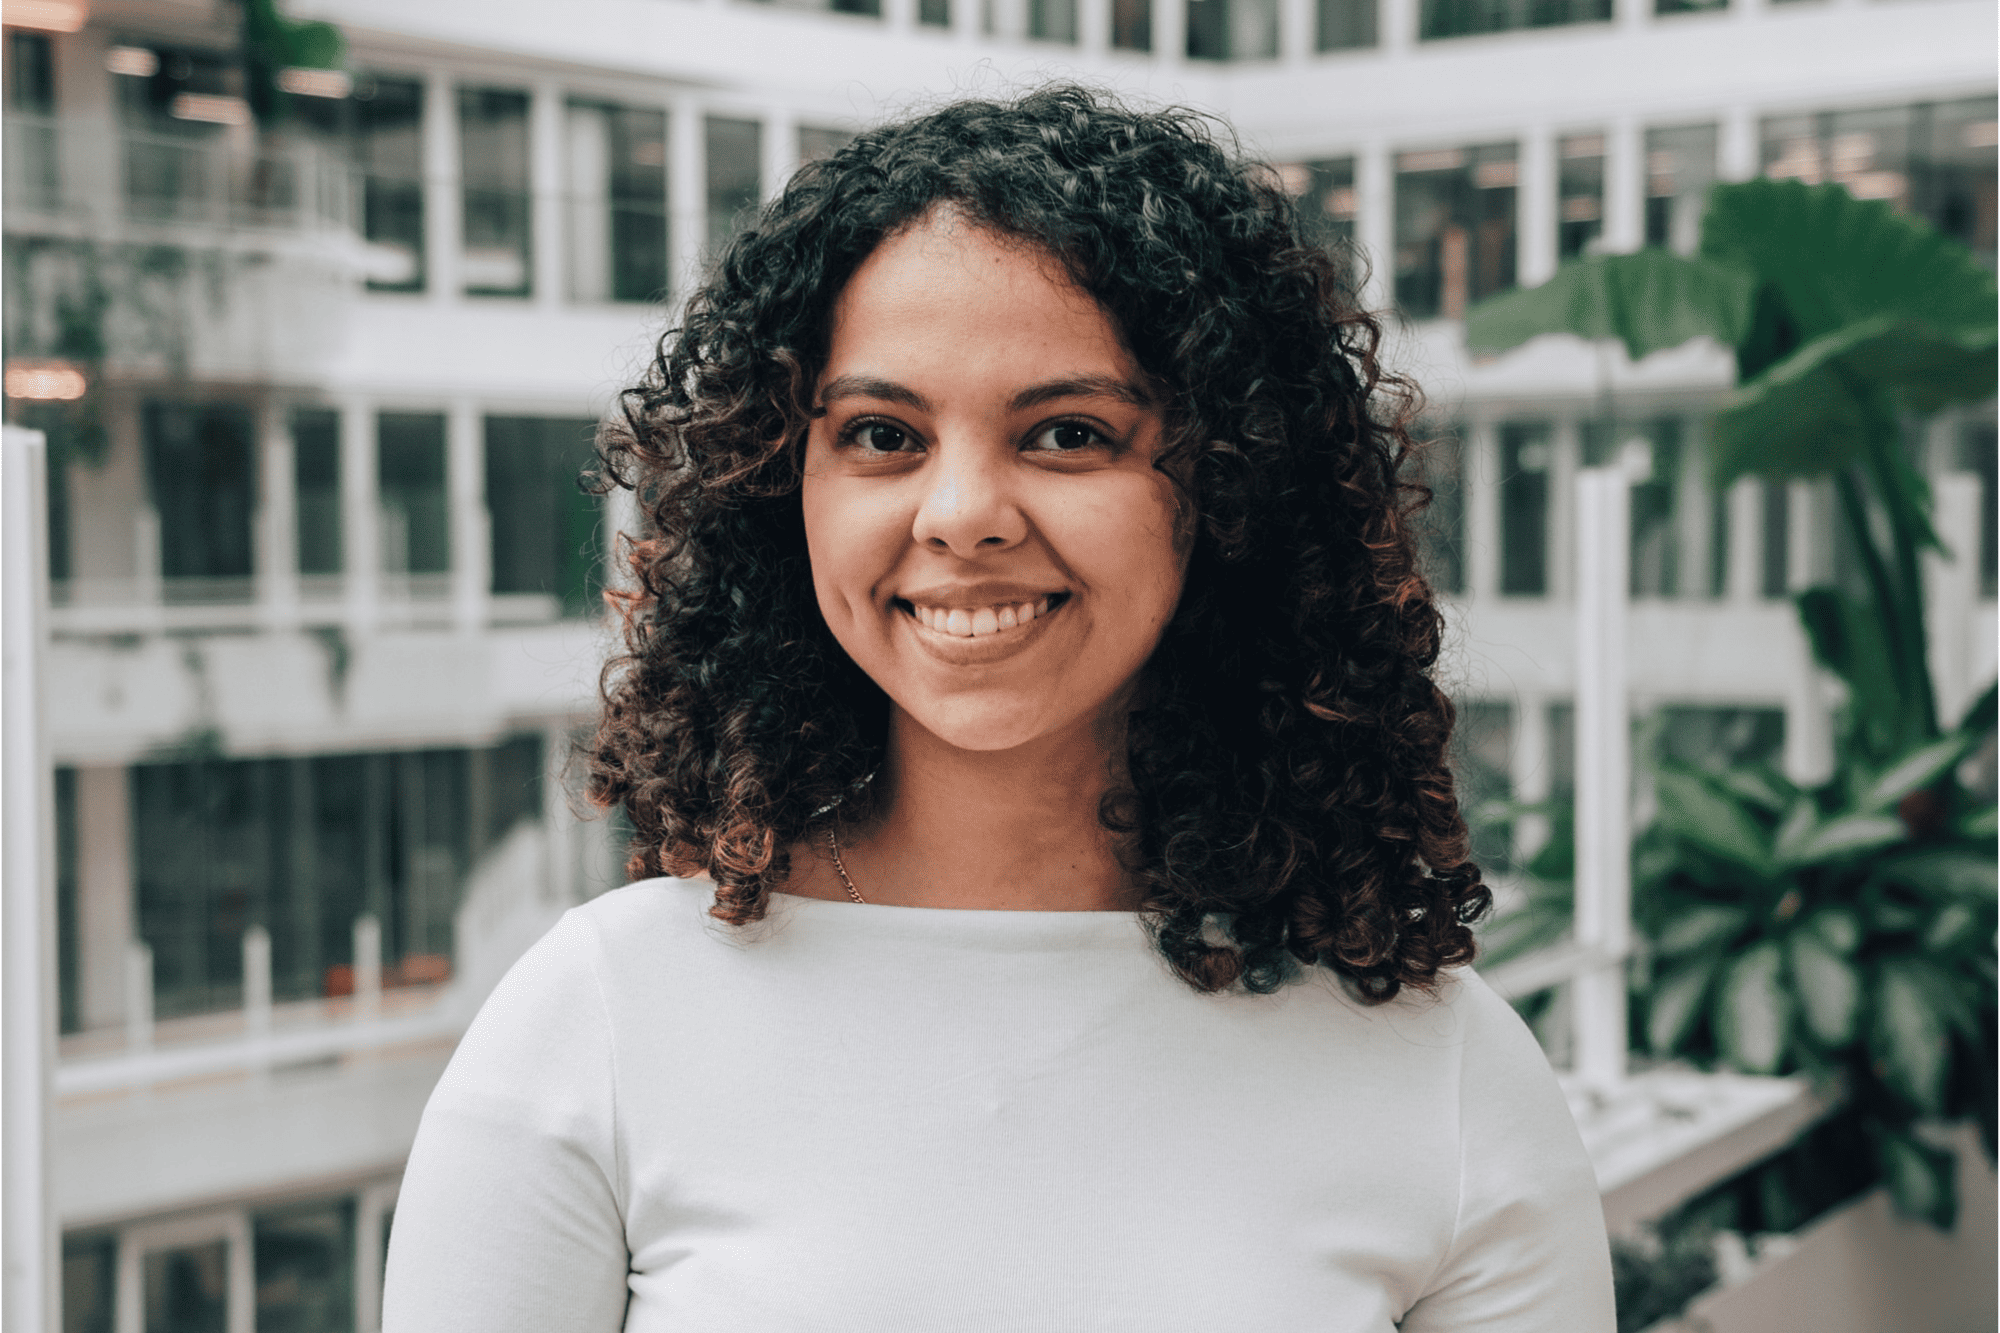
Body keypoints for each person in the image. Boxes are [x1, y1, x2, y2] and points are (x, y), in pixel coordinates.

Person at [382, 85, 1616, 1331]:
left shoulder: (1438, 1074)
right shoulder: (597, 1023)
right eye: (880, 434)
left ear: (1233, 493)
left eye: (1068, 433)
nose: (961, 511)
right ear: (779, 489)